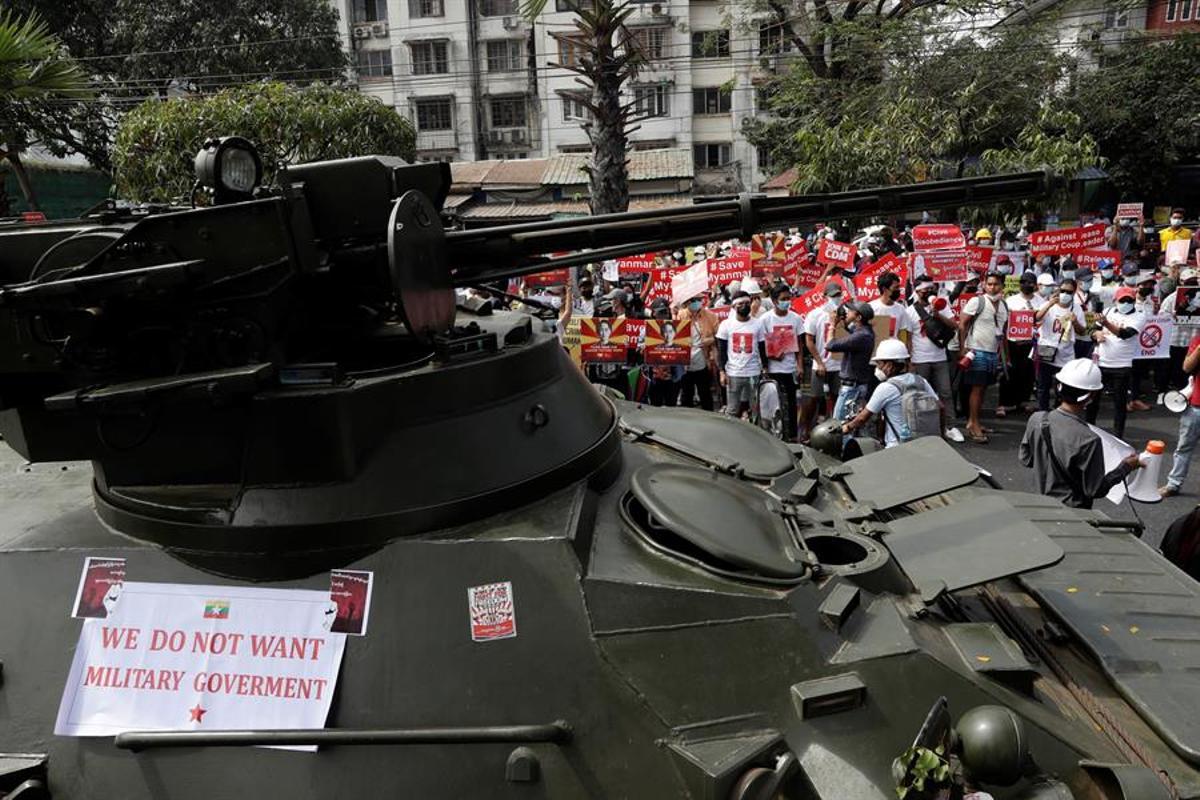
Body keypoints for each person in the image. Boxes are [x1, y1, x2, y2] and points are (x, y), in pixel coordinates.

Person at [1020, 358, 1142, 509]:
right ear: (1092, 396)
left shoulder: (1037, 419)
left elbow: (1026, 459)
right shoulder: (1088, 439)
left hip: (1039, 504)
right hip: (1073, 513)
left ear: (1059, 386)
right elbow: (1095, 489)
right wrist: (1125, 467)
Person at [841, 338, 941, 447]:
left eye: (879, 363)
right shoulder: (921, 381)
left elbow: (862, 418)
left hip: (897, 447)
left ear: (889, 365)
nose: (877, 368)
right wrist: (941, 435)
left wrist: (847, 427)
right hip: (924, 443)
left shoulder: (886, 388)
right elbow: (941, 407)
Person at [906, 279, 961, 441]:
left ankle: (950, 426)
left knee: (946, 392)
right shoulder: (910, 311)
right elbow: (908, 338)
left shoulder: (942, 306)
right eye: (925, 289)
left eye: (932, 288)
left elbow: (954, 325)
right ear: (917, 292)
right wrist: (909, 361)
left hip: (940, 357)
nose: (930, 291)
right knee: (920, 395)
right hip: (920, 359)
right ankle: (921, 427)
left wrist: (938, 315)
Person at [958, 272, 1009, 443]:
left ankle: (974, 421)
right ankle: (973, 425)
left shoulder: (1004, 305)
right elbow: (962, 323)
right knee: (977, 389)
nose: (992, 287)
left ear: (1002, 286)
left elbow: (1004, 333)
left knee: (984, 389)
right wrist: (963, 347)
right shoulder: (977, 301)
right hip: (977, 350)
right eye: (989, 284)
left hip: (993, 352)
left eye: (996, 284)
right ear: (984, 285)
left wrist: (1005, 357)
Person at [1086, 287, 1142, 439]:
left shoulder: (1139, 316)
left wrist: (1106, 324)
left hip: (1121, 366)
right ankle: (1089, 429)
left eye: (1129, 300)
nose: (1126, 303)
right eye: (1122, 300)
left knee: (1119, 403)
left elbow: (1125, 334)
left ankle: (1118, 435)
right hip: (1101, 363)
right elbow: (1093, 330)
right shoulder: (1108, 311)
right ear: (1115, 301)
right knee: (1093, 400)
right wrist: (1096, 334)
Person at [1033, 275, 1087, 412]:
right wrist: (1049, 304)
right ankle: (1042, 412)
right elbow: (1037, 318)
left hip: (1065, 353)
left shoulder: (1077, 309)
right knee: (1043, 386)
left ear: (1074, 293)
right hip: (1046, 349)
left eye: (1069, 292)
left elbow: (1082, 332)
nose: (1065, 294)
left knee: (1062, 386)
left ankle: (1058, 412)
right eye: (1063, 290)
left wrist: (1075, 322)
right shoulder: (1048, 304)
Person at [760, 284, 805, 441]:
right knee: (774, 404)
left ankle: (792, 435)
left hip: (790, 368)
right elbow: (761, 345)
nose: (787, 302)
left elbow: (799, 343)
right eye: (783, 299)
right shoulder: (765, 319)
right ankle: (774, 435)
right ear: (774, 301)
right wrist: (771, 357)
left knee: (792, 403)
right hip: (773, 369)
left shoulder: (796, 318)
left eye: (788, 298)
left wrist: (799, 365)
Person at [1160, 332, 1200, 497]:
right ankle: (1173, 485)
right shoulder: (1198, 340)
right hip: (1196, 406)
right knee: (1183, 448)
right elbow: (1186, 367)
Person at [801, 281, 845, 431]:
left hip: (838, 364)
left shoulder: (845, 314)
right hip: (820, 363)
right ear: (825, 296)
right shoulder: (815, 315)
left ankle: (833, 429)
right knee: (814, 397)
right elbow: (809, 341)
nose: (836, 298)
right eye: (833, 296)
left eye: (839, 295)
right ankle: (806, 429)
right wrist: (819, 362)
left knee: (837, 398)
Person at [716, 292, 767, 418]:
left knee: (755, 409)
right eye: (740, 304)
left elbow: (762, 347)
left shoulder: (758, 324)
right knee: (732, 409)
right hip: (734, 373)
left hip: (753, 373)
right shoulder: (726, 325)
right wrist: (722, 372)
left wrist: (765, 368)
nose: (744, 306)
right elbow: (721, 350)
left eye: (747, 303)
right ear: (734, 307)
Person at [1000, 271, 1043, 416]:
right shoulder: (1010, 301)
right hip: (1013, 342)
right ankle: (1005, 403)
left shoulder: (1040, 301)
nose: (1028, 285)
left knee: (1028, 373)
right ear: (1020, 284)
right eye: (1025, 282)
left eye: (1031, 283)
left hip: (1031, 343)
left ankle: (1023, 401)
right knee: (1010, 372)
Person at [825, 302, 876, 422]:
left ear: (858, 317)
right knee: (850, 424)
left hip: (852, 388)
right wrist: (843, 320)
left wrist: (832, 325)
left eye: (851, 311)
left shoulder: (861, 336)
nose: (848, 312)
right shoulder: (865, 331)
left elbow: (830, 345)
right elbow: (850, 329)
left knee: (840, 424)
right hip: (856, 386)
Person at [677, 293, 719, 410]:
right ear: (687, 302)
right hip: (685, 364)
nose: (696, 302)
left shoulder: (711, 316)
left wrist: (710, 340)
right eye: (693, 300)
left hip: (704, 363)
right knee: (686, 398)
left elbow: (720, 337)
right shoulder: (680, 316)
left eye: (698, 299)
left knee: (706, 396)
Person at [868, 272, 913, 344]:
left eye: (899, 287)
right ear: (884, 289)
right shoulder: (871, 308)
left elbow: (903, 334)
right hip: (877, 353)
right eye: (895, 287)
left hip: (895, 353)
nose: (898, 290)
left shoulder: (901, 309)